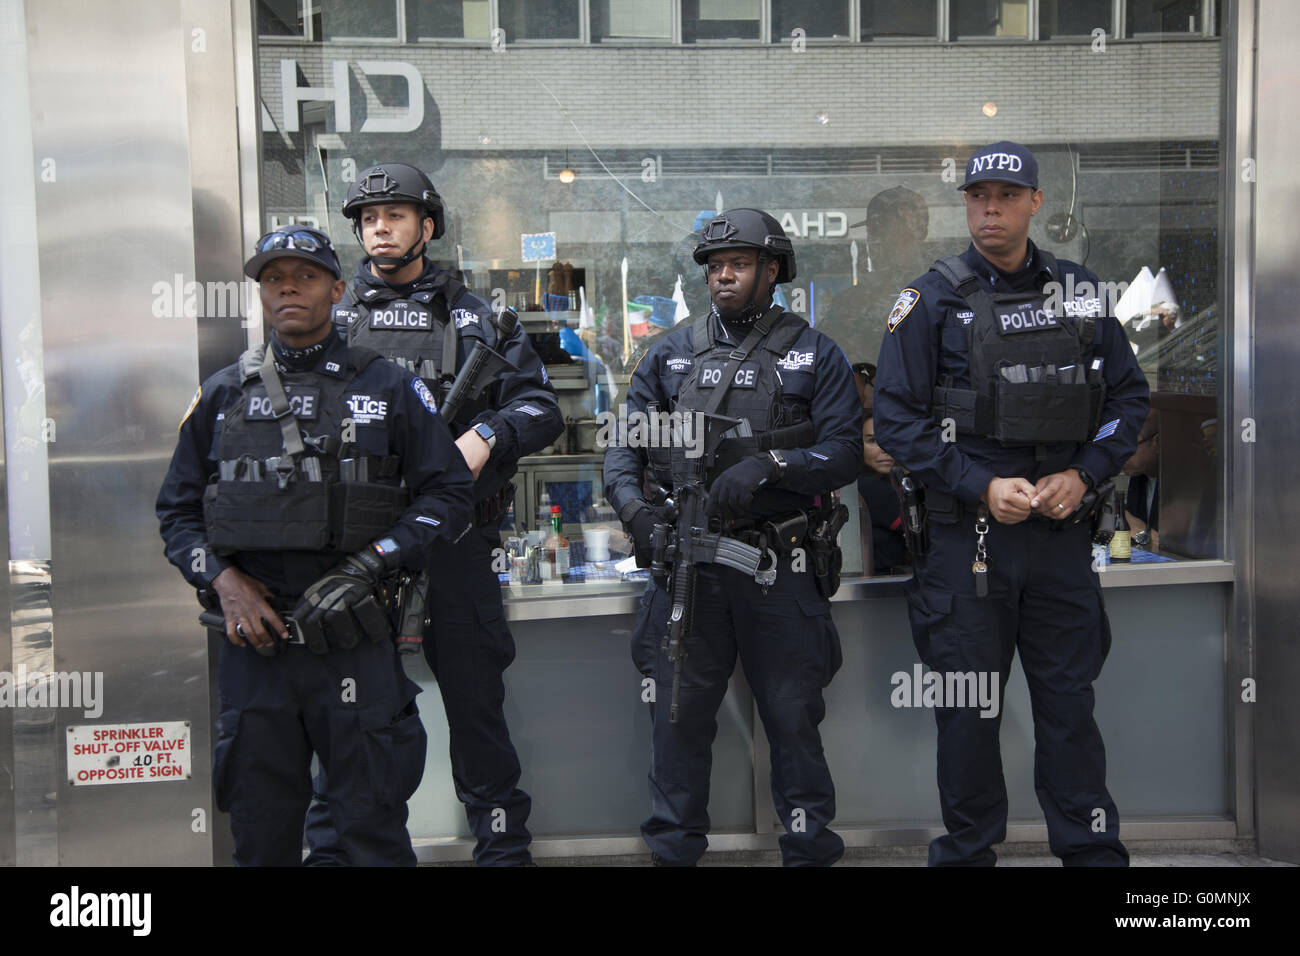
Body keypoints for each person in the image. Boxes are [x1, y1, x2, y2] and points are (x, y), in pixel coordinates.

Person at [156, 226, 475, 865]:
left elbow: (449, 498)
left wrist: (369, 565)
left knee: (369, 831)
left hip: (354, 642)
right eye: (273, 279)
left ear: (336, 290)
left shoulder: (388, 387)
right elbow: (177, 513)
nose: (287, 289)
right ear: (261, 296)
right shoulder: (222, 394)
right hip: (256, 646)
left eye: (304, 276)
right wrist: (224, 582)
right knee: (261, 830)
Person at [874, 142, 1149, 866]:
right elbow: (897, 422)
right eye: (976, 196)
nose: (988, 208)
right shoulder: (931, 298)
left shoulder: (1079, 290)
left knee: (1069, 711)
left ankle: (1091, 853)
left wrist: (1086, 474)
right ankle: (967, 851)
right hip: (970, 545)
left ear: (1035, 203)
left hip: (1060, 540)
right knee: (968, 715)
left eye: (1005, 195)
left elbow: (1129, 398)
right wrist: (978, 485)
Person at [308, 162, 564, 866]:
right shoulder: (333, 322)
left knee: (476, 705)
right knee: (356, 712)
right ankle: (347, 850)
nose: (378, 228)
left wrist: (485, 435)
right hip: (361, 550)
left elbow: (541, 407)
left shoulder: (474, 317)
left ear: (427, 226)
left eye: (393, 215)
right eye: (367, 219)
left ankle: (503, 846)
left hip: (454, 544)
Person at [604, 208, 862, 866]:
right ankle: (673, 853)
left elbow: (844, 453)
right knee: (677, 725)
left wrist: (772, 464)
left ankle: (808, 851)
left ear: (772, 271)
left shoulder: (813, 353)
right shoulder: (670, 354)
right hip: (688, 567)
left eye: (739, 264)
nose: (723, 275)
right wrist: (636, 514)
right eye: (715, 266)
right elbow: (622, 450)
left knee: (793, 720)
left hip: (777, 567)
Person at [819, 186, 930, 367]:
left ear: (919, 233)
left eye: (887, 229)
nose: (876, 241)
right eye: (873, 231)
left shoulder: (942, 293)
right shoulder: (850, 302)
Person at [1123, 408, 1160, 550]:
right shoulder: (1139, 475)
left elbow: (1158, 540)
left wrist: (1131, 523)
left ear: (1156, 442)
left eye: (1128, 447)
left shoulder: (1179, 484)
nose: (1120, 454)